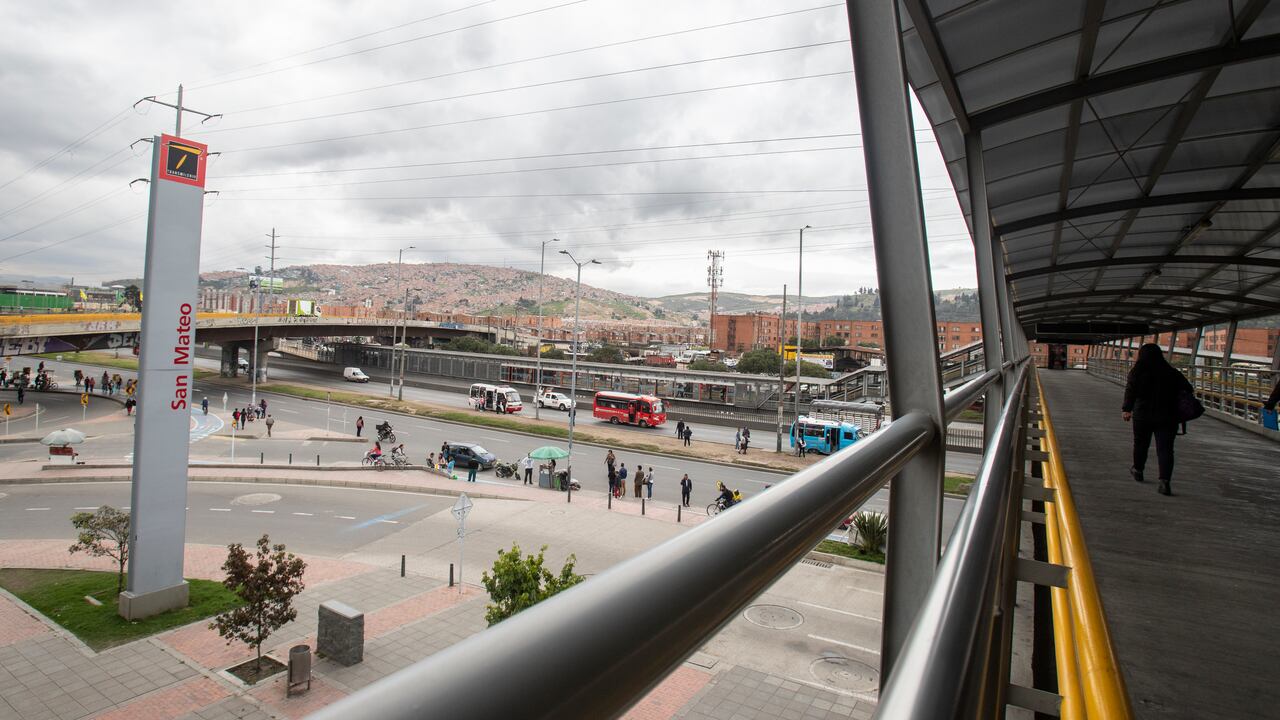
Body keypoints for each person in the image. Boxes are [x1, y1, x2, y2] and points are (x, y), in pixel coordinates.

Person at [1122, 342, 1194, 496]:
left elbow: (1131, 391)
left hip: (1143, 414)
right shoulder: (1171, 372)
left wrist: (1126, 409)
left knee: (1141, 444)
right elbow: (1188, 389)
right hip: (1167, 416)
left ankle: (1138, 470)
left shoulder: (1137, 372)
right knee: (1166, 449)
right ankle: (1164, 482)